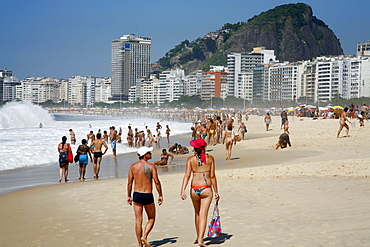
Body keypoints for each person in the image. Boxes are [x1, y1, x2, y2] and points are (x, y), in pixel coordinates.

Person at [180, 139, 219, 247]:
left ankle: (199, 237)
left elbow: (187, 175)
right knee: (203, 214)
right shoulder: (210, 159)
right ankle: (201, 239)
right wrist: (216, 191)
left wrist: (183, 190)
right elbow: (212, 176)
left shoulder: (190, 160)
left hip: (194, 188)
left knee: (197, 213)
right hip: (206, 188)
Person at [127, 146, 163, 247]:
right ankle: (144, 236)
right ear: (144, 155)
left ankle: (139, 244)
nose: (151, 154)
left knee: (138, 220)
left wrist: (129, 196)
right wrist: (160, 194)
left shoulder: (133, 167)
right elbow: (157, 182)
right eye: (149, 152)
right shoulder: (151, 166)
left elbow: (129, 183)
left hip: (137, 195)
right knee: (151, 218)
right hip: (147, 195)